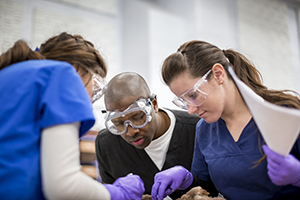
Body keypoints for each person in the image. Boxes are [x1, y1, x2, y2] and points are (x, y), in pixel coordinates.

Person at [0, 32, 144, 200]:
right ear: (76, 69)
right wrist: (120, 194)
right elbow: (63, 186)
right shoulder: (62, 74)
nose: (90, 101)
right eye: (95, 89)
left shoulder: (11, 76)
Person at [151, 40, 300, 200]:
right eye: (184, 101)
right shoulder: (204, 129)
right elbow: (208, 190)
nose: (191, 110)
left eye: (193, 95)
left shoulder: (285, 114)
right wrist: (187, 181)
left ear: (218, 74)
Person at [95, 72, 205, 199]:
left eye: (138, 117)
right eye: (119, 123)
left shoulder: (197, 129)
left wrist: (189, 182)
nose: (131, 132)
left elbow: (217, 190)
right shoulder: (107, 145)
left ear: (154, 104)